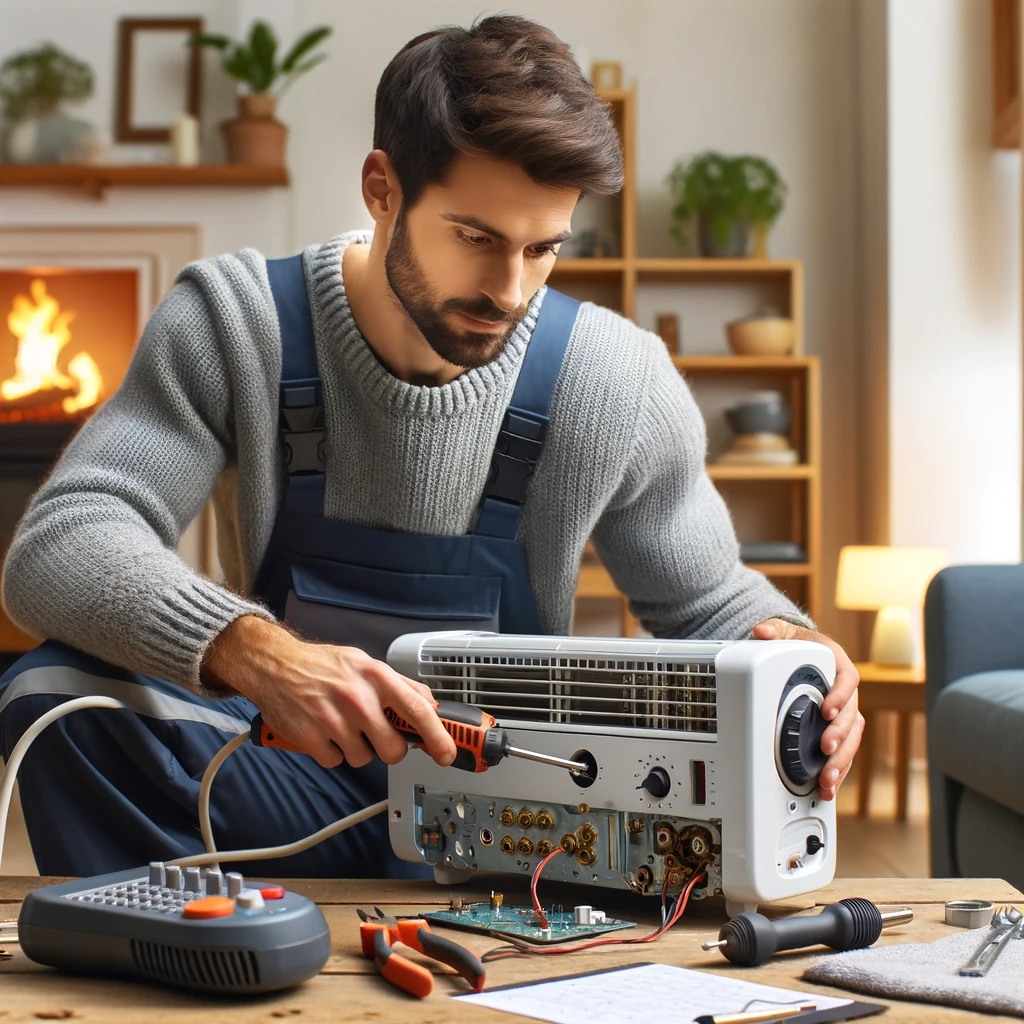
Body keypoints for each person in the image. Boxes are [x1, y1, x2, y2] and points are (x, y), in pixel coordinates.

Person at [0, 16, 862, 878]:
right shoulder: (236, 324)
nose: (510, 289)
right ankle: (198, 949)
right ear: (382, 188)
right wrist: (256, 654)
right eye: (477, 238)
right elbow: (59, 544)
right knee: (52, 696)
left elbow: (707, 601)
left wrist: (795, 648)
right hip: (282, 784)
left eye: (543, 248)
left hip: (520, 814)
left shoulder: (614, 380)